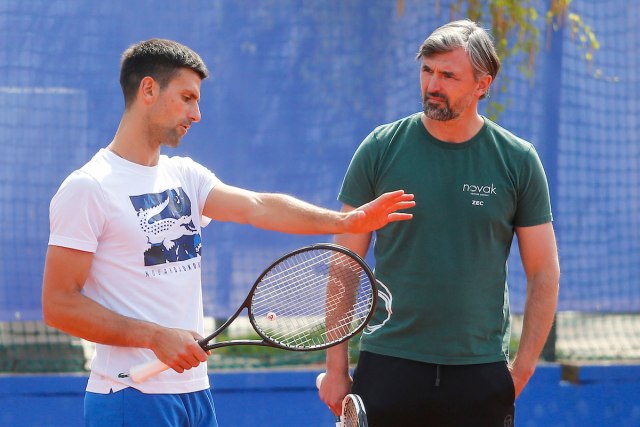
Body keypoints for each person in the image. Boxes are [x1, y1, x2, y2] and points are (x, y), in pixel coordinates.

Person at [41, 38, 415, 427]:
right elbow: (58, 304)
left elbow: (257, 206)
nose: (196, 114)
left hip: (194, 394)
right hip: (128, 397)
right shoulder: (88, 188)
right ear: (148, 89)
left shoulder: (185, 175)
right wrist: (153, 336)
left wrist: (345, 222)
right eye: (187, 98)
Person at [319, 19, 560, 426]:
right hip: (389, 363)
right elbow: (345, 264)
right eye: (427, 70)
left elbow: (544, 272)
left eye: (448, 75)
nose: (432, 84)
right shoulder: (380, 148)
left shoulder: (518, 160)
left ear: (483, 84)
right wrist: (335, 366)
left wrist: (522, 370)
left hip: (479, 371)